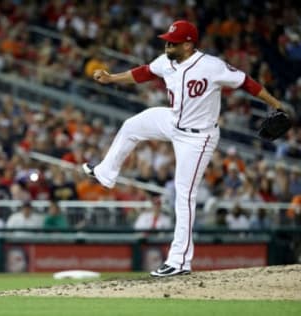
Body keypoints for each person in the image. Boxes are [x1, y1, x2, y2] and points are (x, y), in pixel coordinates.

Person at [83, 20, 285, 277]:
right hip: (172, 120)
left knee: (184, 196)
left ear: (188, 44)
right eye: (167, 40)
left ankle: (179, 261)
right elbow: (144, 72)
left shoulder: (212, 66)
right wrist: (112, 78)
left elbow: (246, 81)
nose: (167, 44)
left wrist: (276, 104)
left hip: (198, 137)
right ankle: (106, 173)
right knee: (132, 126)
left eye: (173, 42)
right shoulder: (167, 61)